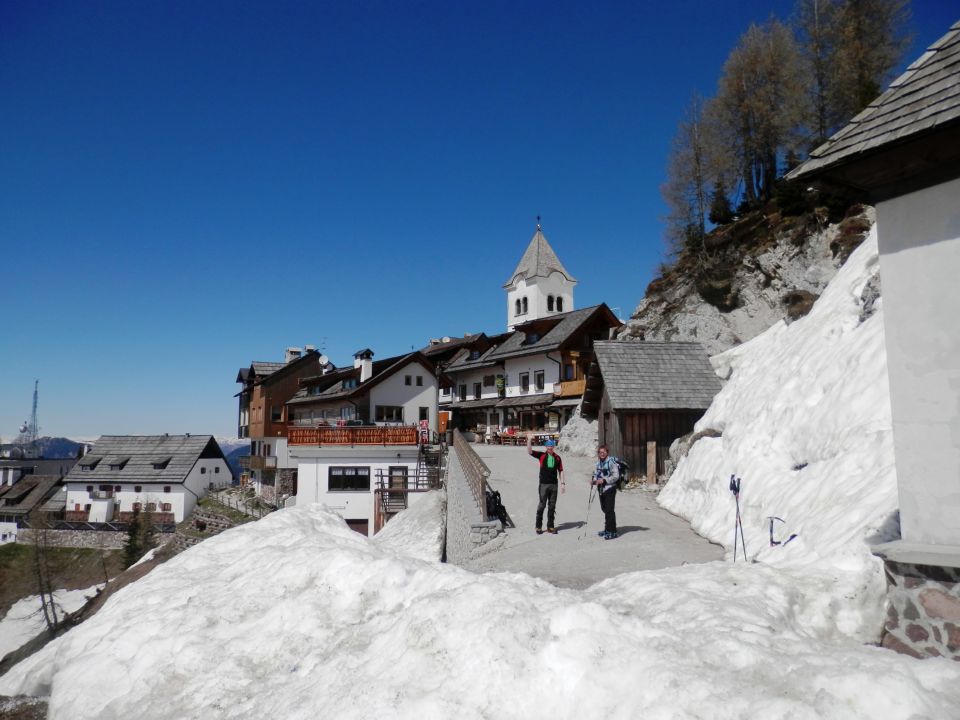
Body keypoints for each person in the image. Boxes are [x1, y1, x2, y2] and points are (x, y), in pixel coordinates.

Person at [527, 433, 564, 534]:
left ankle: (550, 527)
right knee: (542, 505)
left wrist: (563, 483)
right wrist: (529, 440)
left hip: (554, 485)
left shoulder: (558, 458)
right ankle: (538, 527)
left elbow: (561, 470)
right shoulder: (541, 455)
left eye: (551, 446)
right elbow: (529, 451)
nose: (550, 447)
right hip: (543, 484)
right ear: (546, 447)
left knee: (552, 506)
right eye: (548, 446)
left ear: (553, 447)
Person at [591, 444, 619, 539]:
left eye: (604, 452)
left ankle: (612, 531)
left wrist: (604, 480)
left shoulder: (611, 462)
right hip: (601, 489)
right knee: (604, 509)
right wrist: (594, 480)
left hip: (610, 488)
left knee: (609, 510)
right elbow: (596, 473)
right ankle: (607, 529)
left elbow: (616, 476)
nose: (602, 454)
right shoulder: (598, 463)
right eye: (600, 452)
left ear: (607, 452)